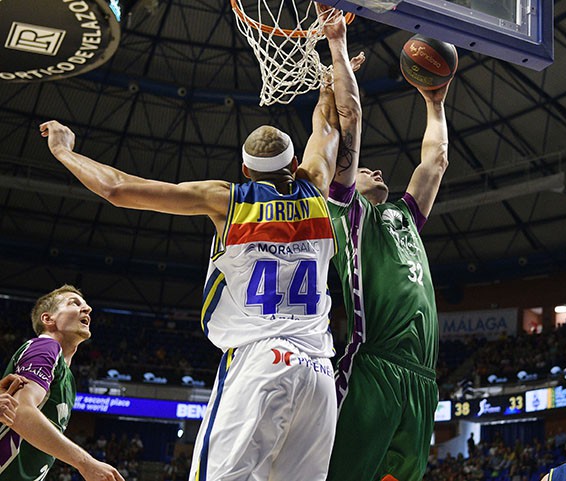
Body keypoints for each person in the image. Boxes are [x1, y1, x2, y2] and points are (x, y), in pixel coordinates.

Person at [40, 15, 350, 477]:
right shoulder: (317, 188)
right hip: (321, 371)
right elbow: (329, 127)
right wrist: (331, 76)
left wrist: (65, 152)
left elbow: (119, 189)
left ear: (245, 171)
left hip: (261, 360)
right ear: (293, 166)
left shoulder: (225, 199)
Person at [324, 13, 454, 479]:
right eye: (364, 170)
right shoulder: (348, 214)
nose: (374, 170)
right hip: (373, 367)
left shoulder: (405, 216)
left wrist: (435, 102)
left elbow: (435, 161)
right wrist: (338, 46)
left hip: (422, 379)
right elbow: (351, 121)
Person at [0, 285, 124, 481]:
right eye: (74, 303)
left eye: (85, 304)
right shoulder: (45, 346)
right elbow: (20, 411)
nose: (87, 309)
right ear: (48, 319)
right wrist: (86, 463)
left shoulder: (69, 380)